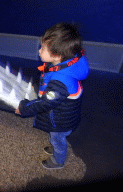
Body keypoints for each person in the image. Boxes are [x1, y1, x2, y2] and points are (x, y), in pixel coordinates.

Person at [15, 23, 89, 169]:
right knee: (56, 139)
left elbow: (45, 103)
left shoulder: (59, 83)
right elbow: (48, 79)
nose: (39, 50)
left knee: (57, 140)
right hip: (64, 114)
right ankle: (57, 148)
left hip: (61, 122)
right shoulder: (66, 61)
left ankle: (58, 160)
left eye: (43, 48)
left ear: (57, 55)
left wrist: (23, 108)